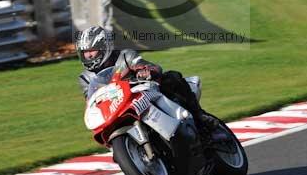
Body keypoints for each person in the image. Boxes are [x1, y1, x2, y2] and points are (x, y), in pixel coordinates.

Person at [75, 26, 218, 133]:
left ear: (104, 47)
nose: (88, 56)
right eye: (85, 52)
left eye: (91, 50)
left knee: (172, 77)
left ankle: (199, 116)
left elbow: (149, 66)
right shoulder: (85, 78)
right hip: (116, 108)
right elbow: (90, 99)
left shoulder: (125, 56)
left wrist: (145, 71)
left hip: (140, 95)